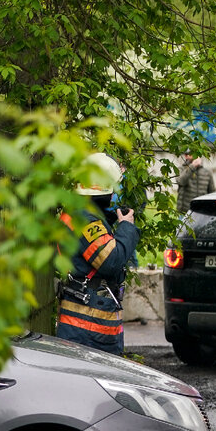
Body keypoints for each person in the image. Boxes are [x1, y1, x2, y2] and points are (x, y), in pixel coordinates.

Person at [56, 152, 140, 355]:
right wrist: (126, 227)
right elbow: (111, 261)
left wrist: (111, 220)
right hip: (90, 331)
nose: (115, 194)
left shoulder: (81, 213)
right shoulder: (86, 220)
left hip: (85, 326)